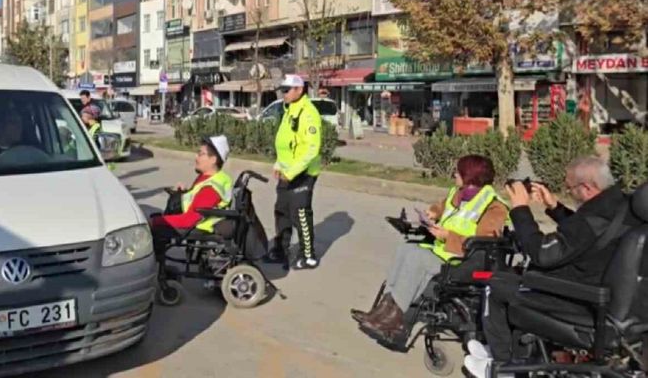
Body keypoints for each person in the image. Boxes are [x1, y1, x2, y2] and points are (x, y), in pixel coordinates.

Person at [464, 156, 638, 377]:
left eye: (570, 188)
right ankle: (502, 351)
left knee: (496, 285)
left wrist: (520, 209)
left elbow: (542, 253)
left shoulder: (595, 215)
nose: (568, 192)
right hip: (610, 298)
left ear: (587, 188)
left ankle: (503, 365)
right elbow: (587, 236)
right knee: (514, 279)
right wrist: (555, 207)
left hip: (584, 298)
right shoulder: (620, 206)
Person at [352, 155, 509, 342]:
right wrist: (432, 213)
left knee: (417, 257)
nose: (455, 174)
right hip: (445, 252)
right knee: (406, 246)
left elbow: (485, 243)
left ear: (471, 176)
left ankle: (397, 320)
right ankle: (383, 310)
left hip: (466, 261)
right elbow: (441, 207)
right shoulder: (459, 193)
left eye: (459, 172)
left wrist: (448, 236)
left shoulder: (494, 207)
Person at [265, 74, 323, 270]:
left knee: (300, 214)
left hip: (303, 173)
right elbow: (286, 143)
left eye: (287, 90)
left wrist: (292, 172)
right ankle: (281, 250)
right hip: (286, 172)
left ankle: (308, 256)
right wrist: (279, 165)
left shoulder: (308, 113)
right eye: (283, 90)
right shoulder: (289, 109)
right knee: (281, 211)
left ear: (300, 90)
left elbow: (311, 149)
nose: (284, 94)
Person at [150, 136, 233, 257]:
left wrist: (156, 221)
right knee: (156, 219)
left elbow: (189, 220)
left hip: (198, 227)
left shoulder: (211, 188)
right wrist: (184, 192)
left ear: (213, 159)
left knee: (153, 226)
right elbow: (196, 198)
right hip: (195, 221)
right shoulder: (213, 177)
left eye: (201, 154)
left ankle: (154, 263)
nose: (196, 157)